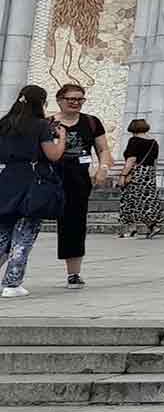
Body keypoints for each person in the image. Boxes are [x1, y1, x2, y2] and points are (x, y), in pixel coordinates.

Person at [46, 82, 109, 287]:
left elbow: (103, 150)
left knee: (74, 225)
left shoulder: (91, 122)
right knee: (28, 222)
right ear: (59, 100)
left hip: (78, 180)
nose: (75, 103)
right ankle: (14, 270)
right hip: (50, 179)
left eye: (79, 99)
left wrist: (103, 168)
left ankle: (73, 273)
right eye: (70, 99)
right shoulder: (48, 123)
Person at [112, 117, 162, 239]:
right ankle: (151, 225)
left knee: (129, 199)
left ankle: (133, 228)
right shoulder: (154, 142)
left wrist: (123, 175)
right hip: (148, 173)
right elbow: (155, 161)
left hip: (136, 173)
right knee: (147, 200)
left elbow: (131, 159)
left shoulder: (134, 140)